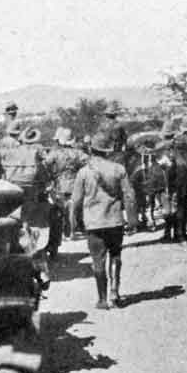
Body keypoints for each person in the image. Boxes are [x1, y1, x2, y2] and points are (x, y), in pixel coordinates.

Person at [72, 131, 137, 309]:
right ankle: (115, 293)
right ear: (108, 151)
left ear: (91, 150)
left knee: (97, 261)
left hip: (93, 223)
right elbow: (129, 196)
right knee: (116, 256)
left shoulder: (84, 172)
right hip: (115, 220)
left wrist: (74, 224)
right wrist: (132, 220)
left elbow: (76, 201)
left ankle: (102, 299)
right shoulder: (119, 169)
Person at [44, 127, 87, 240]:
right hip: (75, 183)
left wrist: (52, 175)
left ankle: (64, 232)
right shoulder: (78, 153)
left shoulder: (55, 153)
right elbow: (88, 163)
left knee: (61, 208)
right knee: (73, 208)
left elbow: (46, 164)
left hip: (60, 183)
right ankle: (72, 231)